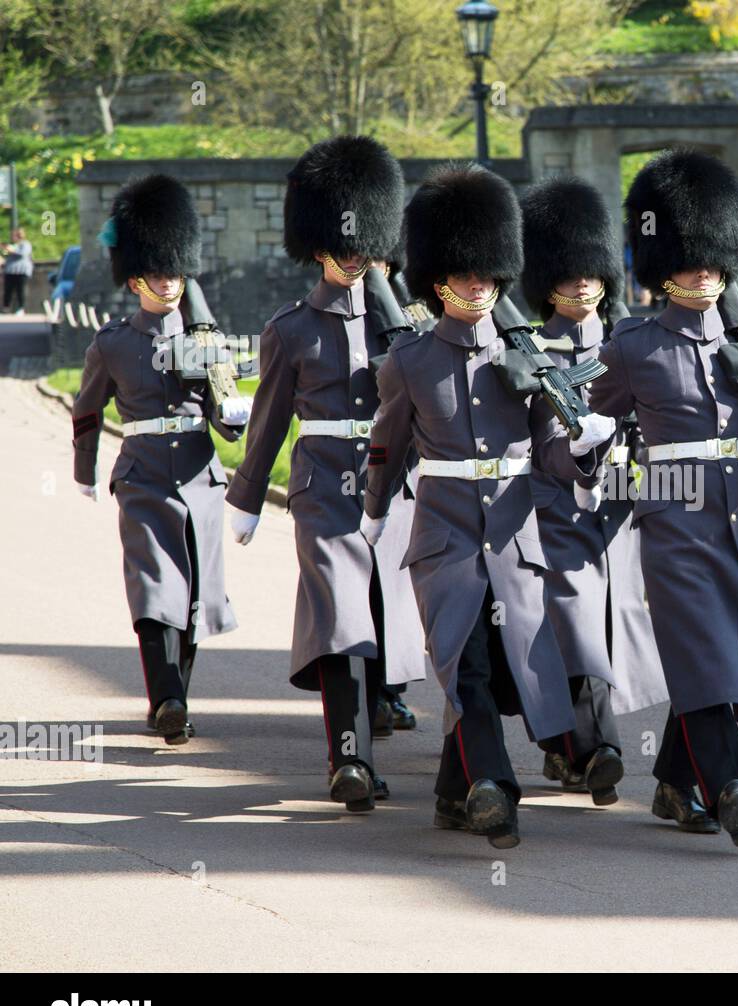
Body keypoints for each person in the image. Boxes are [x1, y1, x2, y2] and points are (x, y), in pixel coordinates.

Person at [361, 162, 616, 848]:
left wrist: (586, 447)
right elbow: (387, 444)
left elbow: (549, 458)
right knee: (465, 666)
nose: (479, 283)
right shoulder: (409, 361)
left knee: (502, 674)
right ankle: (493, 790)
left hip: (513, 538)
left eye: (487, 272)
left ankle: (453, 789)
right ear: (438, 280)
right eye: (465, 273)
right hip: (445, 541)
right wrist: (375, 509)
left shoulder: (526, 358)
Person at [587, 149, 738, 847]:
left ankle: (673, 778)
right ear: (664, 264)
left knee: (731, 656)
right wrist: (599, 463)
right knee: (709, 653)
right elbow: (588, 431)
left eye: (712, 259)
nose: (703, 272)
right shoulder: (632, 345)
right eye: (689, 260)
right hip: (674, 519)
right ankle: (733, 784)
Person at [225, 136, 425, 812]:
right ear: (316, 245)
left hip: (391, 484)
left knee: (379, 616)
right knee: (341, 615)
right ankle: (350, 759)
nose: (352, 252)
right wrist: (247, 495)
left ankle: (367, 739)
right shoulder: (291, 327)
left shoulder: (408, 328)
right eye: (341, 241)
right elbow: (269, 418)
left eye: (363, 241)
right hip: (321, 485)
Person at [71, 174, 252, 743]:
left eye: (174, 272)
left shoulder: (209, 337)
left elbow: (224, 421)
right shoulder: (114, 341)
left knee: (195, 592)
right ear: (134, 280)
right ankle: (167, 697)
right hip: (144, 472)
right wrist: (84, 471)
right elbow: (87, 409)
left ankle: (176, 696)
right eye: (156, 273)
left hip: (200, 474)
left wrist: (233, 410)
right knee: (154, 588)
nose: (167, 282)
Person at [518, 175, 670, 806]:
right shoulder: (524, 348)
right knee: (577, 622)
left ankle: (573, 747)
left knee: (615, 624)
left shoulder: (626, 344)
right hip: (551, 503)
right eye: (569, 273)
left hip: (618, 506)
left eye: (592, 272)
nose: (583, 283)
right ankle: (599, 748)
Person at [3, 227, 33, 313]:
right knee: (8, 290)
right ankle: (6, 307)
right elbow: (6, 256)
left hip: (22, 271)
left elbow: (22, 254)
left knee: (21, 290)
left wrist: (11, 250)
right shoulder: (11, 245)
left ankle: (21, 308)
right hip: (10, 271)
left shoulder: (26, 244)